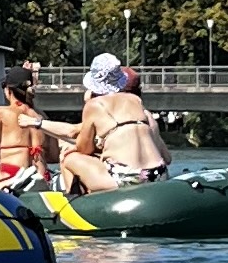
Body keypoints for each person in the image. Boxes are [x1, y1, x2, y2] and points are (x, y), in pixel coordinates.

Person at [61, 50, 168, 192]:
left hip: (126, 178)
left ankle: (74, 206)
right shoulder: (136, 100)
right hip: (158, 173)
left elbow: (84, 149)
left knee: (69, 158)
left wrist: (73, 148)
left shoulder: (94, 105)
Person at [0, 61, 51, 190]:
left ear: (8, 90)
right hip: (42, 176)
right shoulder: (41, 118)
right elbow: (54, 154)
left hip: (12, 174)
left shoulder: (0, 113)